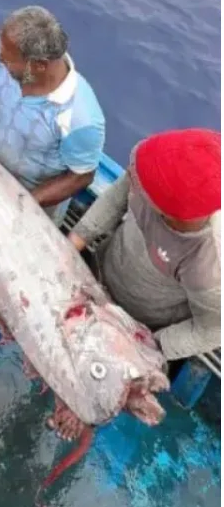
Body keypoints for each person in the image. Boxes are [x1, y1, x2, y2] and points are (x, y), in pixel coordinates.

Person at [48, 128, 221, 441]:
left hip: (144, 326)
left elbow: (212, 329)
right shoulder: (149, 166)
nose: (135, 176)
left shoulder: (211, 264)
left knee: (98, 390)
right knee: (58, 346)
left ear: (171, 211)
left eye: (143, 180)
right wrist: (70, 247)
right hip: (100, 275)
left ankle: (89, 411)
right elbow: (116, 198)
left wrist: (141, 349)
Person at [0, 6, 106, 224]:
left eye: (7, 59)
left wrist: (22, 203)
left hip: (34, 202)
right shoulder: (8, 60)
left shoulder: (81, 118)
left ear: (39, 65)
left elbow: (81, 176)